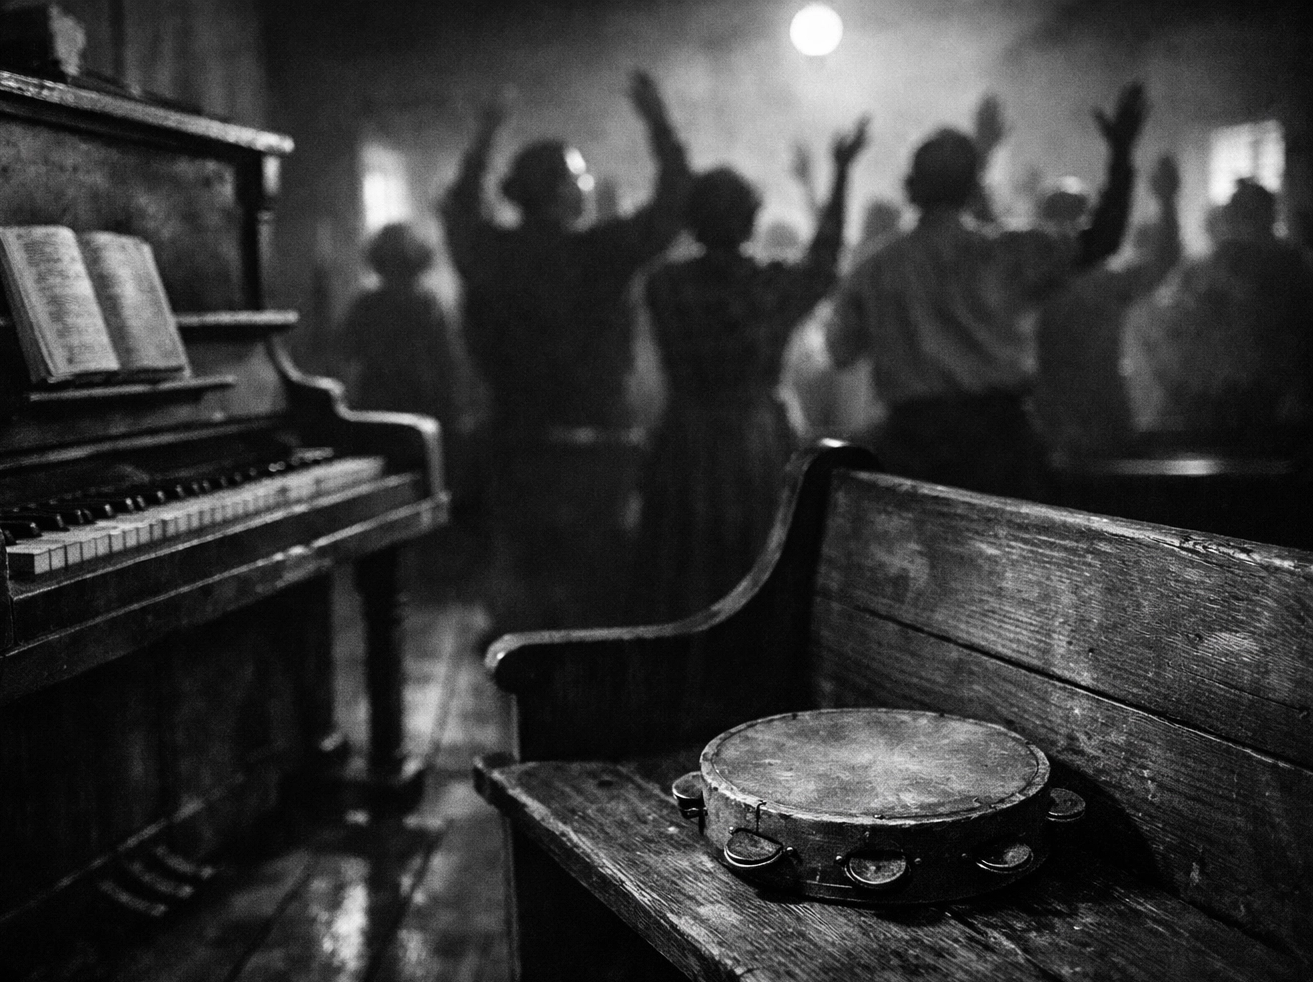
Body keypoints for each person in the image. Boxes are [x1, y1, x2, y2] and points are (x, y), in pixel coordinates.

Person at [442, 70, 691, 635]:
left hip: (516, 442)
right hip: (597, 443)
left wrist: (482, 139)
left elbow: (458, 212)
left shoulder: (491, 255)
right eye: (577, 180)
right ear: (558, 193)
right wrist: (658, 122)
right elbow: (673, 204)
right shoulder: (603, 255)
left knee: (524, 590)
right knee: (596, 592)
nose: (585, 188)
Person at [825, 83, 1149, 500]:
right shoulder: (1009, 252)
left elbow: (841, 352)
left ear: (911, 186)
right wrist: (1121, 157)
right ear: (973, 186)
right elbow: (1103, 239)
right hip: (1000, 449)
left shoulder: (872, 268)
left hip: (913, 450)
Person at [627, 118, 869, 623]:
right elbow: (825, 262)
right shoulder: (768, 285)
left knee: (684, 573)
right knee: (758, 567)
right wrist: (841, 173)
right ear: (751, 219)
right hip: (756, 439)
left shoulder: (663, 285)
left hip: (686, 438)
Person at [1128, 179, 1313, 441]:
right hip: (1229, 406)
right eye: (1241, 212)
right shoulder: (1207, 270)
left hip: (1267, 406)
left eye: (1249, 212)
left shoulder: (1292, 269)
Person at [1032, 155, 1182, 457]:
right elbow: (1163, 261)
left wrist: (1167, 203)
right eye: (1060, 217)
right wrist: (1166, 203)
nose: (1068, 228)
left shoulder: (1105, 281)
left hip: (1096, 414)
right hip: (1052, 417)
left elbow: (1162, 261)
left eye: (1075, 217)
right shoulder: (1028, 278)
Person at [333, 223, 459, 430]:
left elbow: (445, 360)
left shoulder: (425, 304)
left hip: (410, 398)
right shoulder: (424, 303)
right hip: (390, 399)